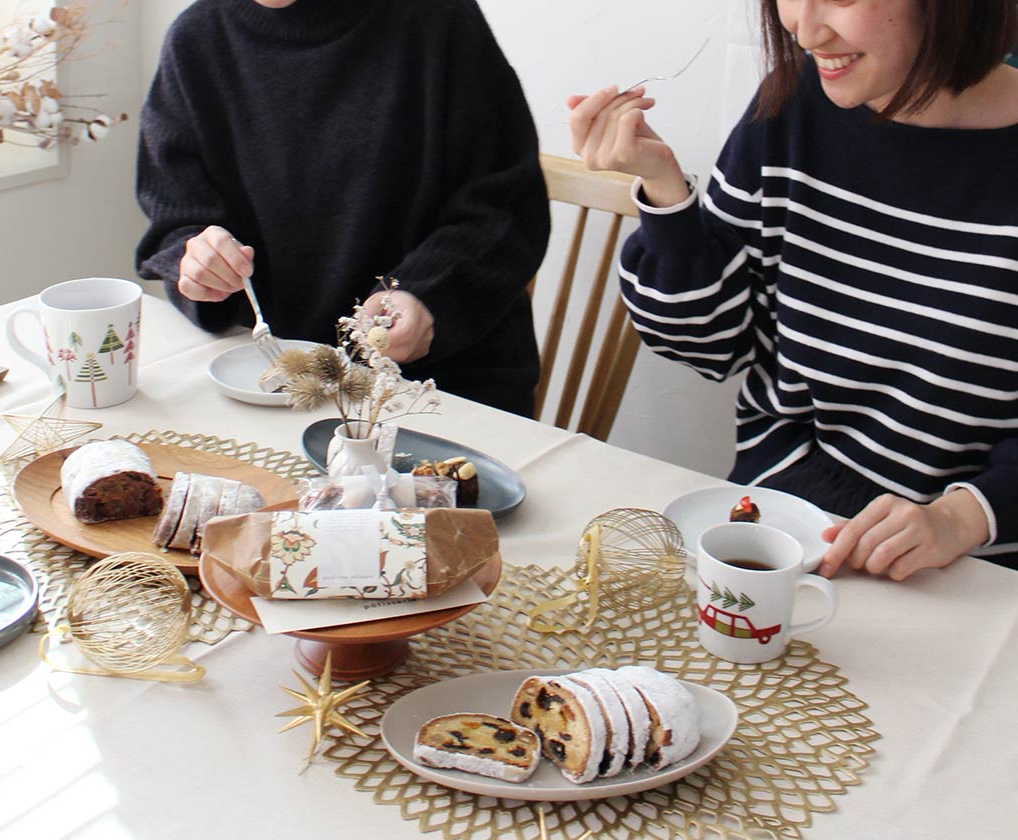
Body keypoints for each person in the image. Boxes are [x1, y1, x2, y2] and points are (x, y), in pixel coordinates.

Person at [569, 0, 1018, 578]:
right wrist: (665, 194)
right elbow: (713, 346)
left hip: (978, 571)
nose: (804, 29)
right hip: (785, 524)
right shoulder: (794, 107)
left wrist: (963, 517)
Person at [136, 0, 550, 417]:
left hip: (441, 389)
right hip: (270, 381)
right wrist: (201, 265)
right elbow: (177, 221)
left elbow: (507, 204)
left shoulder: (438, 18)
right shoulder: (196, 39)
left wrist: (429, 294)